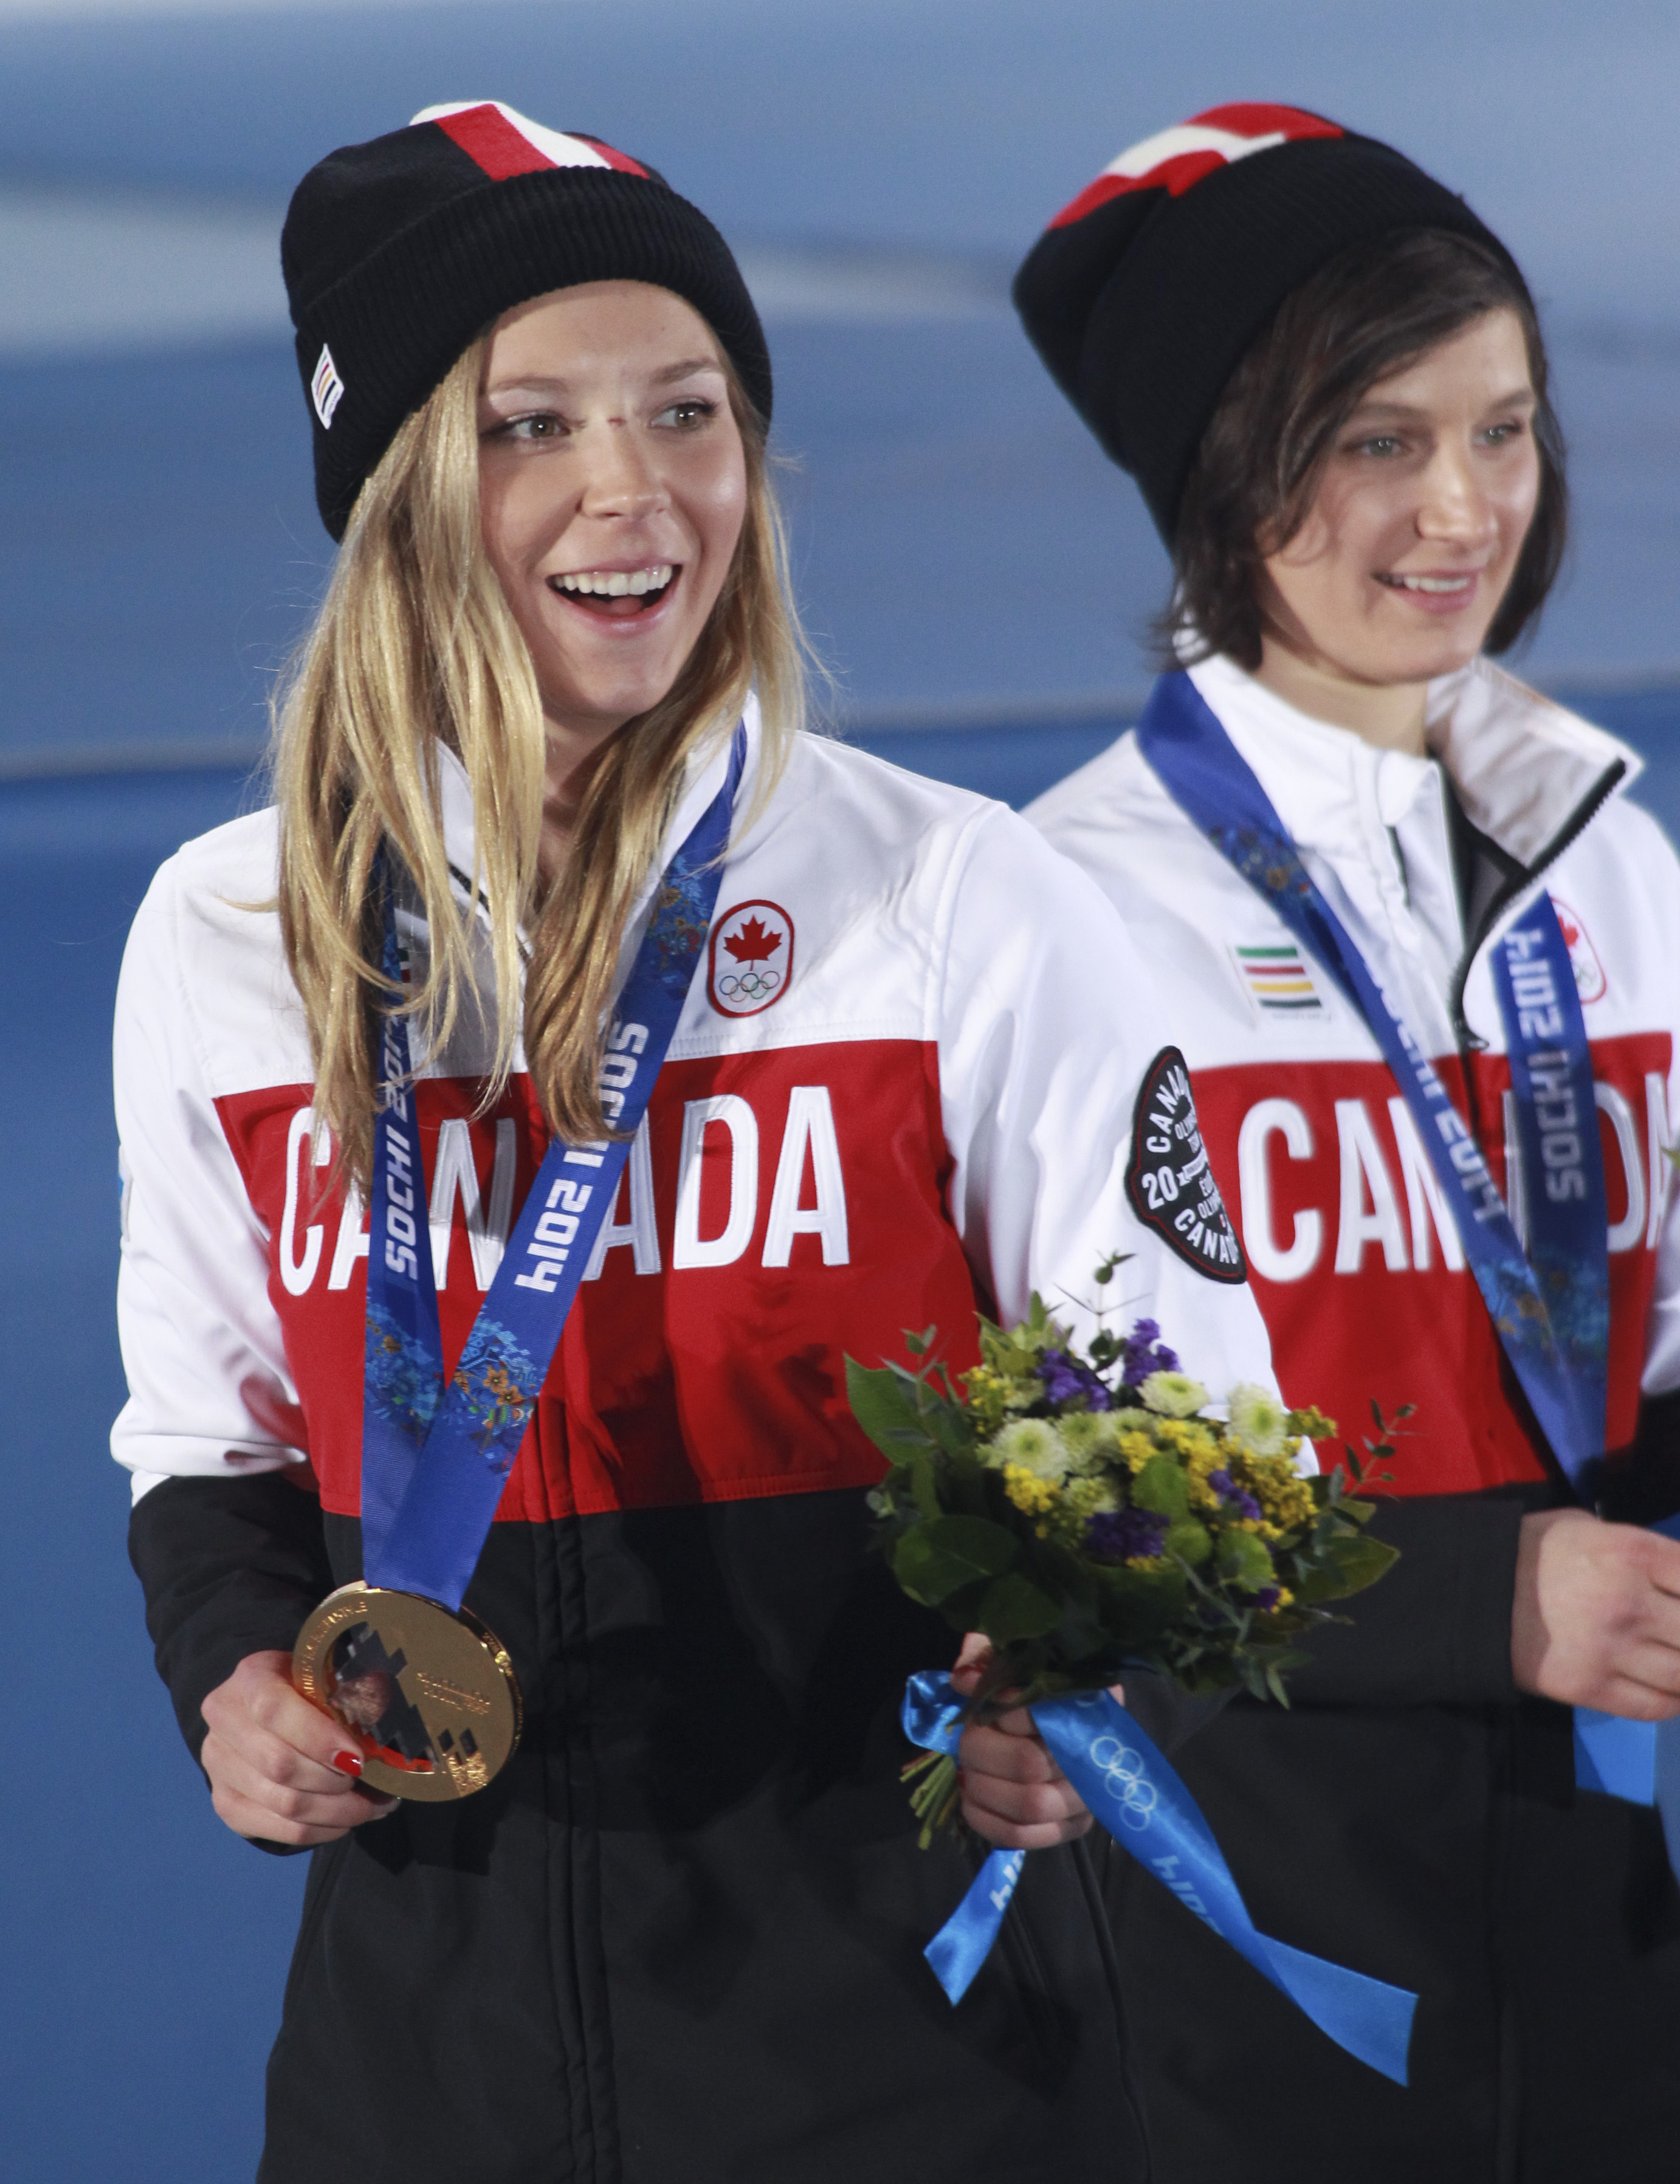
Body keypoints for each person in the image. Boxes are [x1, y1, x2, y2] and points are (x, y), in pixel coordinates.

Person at [111, 101, 1275, 2183]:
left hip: (903, 2080)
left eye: (689, 408)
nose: (632, 489)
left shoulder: (951, 901)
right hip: (413, 2082)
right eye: (527, 424)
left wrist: (1090, 1673)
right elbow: (211, 1443)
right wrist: (236, 1678)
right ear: (386, 494)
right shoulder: (228, 930)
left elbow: (1195, 1400)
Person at [1015, 102, 1680, 2183]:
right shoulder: (1063, 908)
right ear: (1222, 469)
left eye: (1500, 428)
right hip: (1249, 1941)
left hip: (1602, 1887)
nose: (1460, 506)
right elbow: (1055, 1493)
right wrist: (1481, 1593)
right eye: (1376, 439)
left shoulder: (1612, 866)